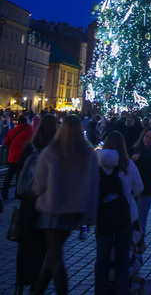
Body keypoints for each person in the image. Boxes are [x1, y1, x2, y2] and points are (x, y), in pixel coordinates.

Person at [33, 114, 99, 295]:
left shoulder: (51, 151)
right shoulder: (88, 154)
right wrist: (88, 218)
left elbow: (38, 185)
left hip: (51, 209)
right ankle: (37, 291)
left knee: (54, 255)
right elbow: (93, 187)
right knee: (53, 253)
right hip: (73, 211)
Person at [14, 114, 58, 295]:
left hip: (27, 204)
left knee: (23, 246)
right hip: (45, 206)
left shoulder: (31, 147)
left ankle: (18, 285)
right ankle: (34, 283)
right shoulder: (56, 150)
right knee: (40, 247)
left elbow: (18, 170)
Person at [95, 131, 143, 295]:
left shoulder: (97, 164)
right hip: (124, 216)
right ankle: (122, 291)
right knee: (123, 259)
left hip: (102, 216)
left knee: (102, 258)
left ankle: (100, 291)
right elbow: (139, 189)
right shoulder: (128, 164)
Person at [131, 125, 151, 236]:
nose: (148, 139)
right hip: (132, 188)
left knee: (141, 218)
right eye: (146, 136)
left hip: (146, 189)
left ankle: (138, 243)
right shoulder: (133, 150)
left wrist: (140, 160)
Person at [2, 115, 33, 199]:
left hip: (12, 157)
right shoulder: (29, 132)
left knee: (9, 175)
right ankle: (17, 192)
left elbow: (6, 143)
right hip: (23, 158)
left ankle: (5, 191)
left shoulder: (12, 131)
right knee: (20, 176)